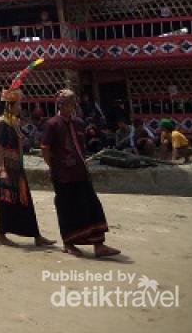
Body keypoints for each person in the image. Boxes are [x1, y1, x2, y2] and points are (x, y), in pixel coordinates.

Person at [42, 89, 120, 258]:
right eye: (69, 104)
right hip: (63, 175)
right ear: (61, 105)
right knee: (67, 209)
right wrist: (53, 167)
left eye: (73, 103)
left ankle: (99, 244)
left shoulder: (78, 123)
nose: (72, 107)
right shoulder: (52, 124)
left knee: (92, 206)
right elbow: (45, 149)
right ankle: (68, 243)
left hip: (81, 172)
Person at [0, 59, 55, 248]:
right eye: (18, 105)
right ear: (10, 106)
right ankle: (2, 234)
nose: (20, 108)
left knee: (24, 200)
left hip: (17, 167)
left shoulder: (13, 122)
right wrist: (2, 167)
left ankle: (35, 235)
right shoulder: (3, 122)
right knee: (6, 201)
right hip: (7, 167)